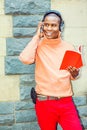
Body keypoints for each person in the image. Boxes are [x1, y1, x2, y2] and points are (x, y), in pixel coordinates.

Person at [19, 10, 83, 130]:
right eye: (46, 24)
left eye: (53, 25)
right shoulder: (38, 45)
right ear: (42, 26)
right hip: (45, 103)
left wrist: (75, 73)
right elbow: (25, 59)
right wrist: (37, 36)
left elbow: (73, 75)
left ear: (60, 27)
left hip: (66, 103)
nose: (49, 28)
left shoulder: (68, 47)